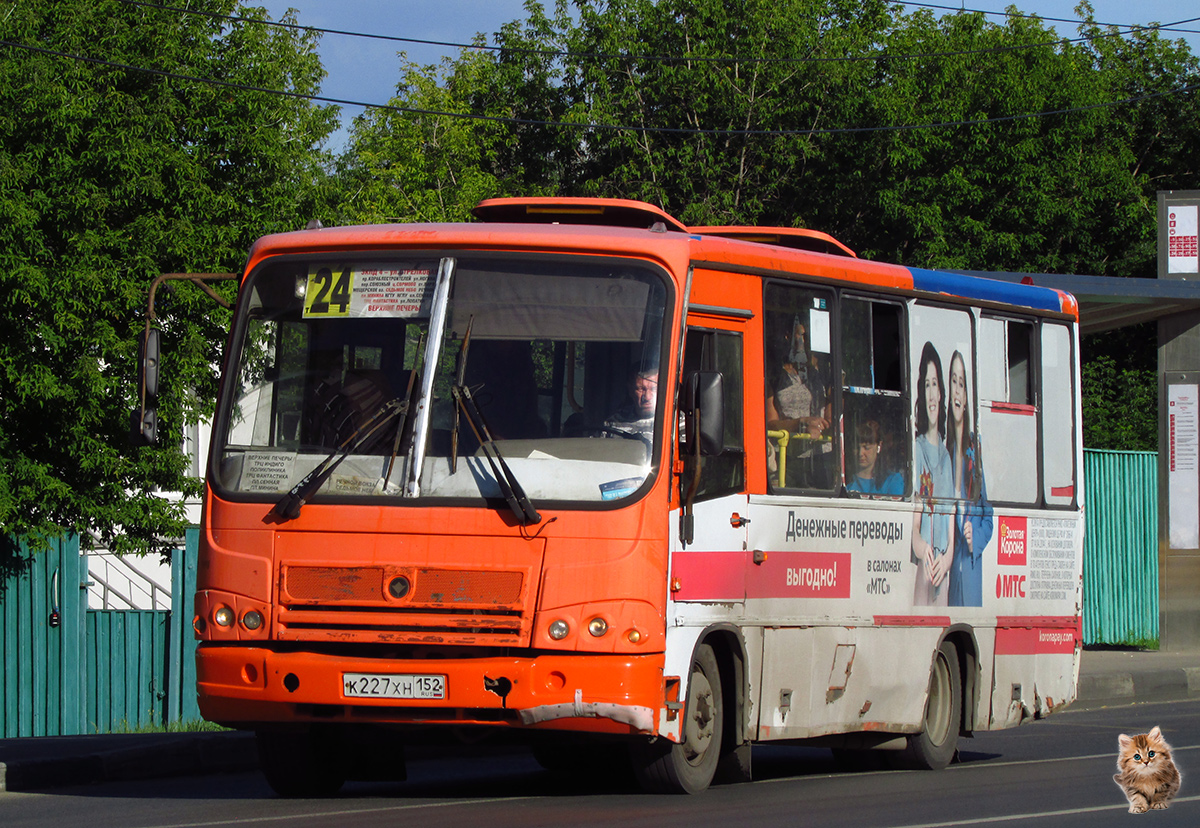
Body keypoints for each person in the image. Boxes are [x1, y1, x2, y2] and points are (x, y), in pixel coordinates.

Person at [946, 350, 993, 607]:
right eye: (953, 381)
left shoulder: (976, 449)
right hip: (946, 580)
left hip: (971, 571)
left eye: (961, 383)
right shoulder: (944, 449)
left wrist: (975, 535)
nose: (956, 390)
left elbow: (989, 514)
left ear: (965, 397)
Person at [911, 341, 955, 606]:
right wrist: (923, 548)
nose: (930, 393)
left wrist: (948, 558)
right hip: (924, 569)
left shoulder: (947, 458)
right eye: (926, 385)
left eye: (935, 384)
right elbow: (914, 527)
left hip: (943, 571)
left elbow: (950, 518)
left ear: (941, 393)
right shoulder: (916, 450)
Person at [766, 315, 832, 487]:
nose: (807, 342)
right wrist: (801, 424)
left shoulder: (824, 373)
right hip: (786, 457)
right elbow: (770, 424)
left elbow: (835, 415)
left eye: (811, 337)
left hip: (821, 457)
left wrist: (822, 425)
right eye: (802, 336)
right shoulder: (775, 376)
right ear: (788, 336)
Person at [847, 419, 904, 495]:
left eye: (867, 448)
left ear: (879, 446)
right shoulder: (845, 481)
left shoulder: (892, 480)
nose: (860, 453)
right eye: (856, 448)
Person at [604, 362, 657, 440]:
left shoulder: (677, 423)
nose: (647, 397)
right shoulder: (614, 423)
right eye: (641, 389)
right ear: (630, 391)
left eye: (653, 389)